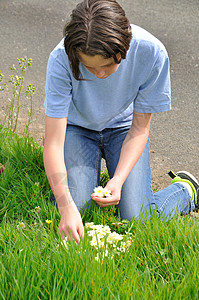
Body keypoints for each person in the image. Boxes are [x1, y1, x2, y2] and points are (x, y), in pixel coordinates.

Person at [43, 0, 199, 243]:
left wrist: (118, 180)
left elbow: (139, 128)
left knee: (136, 217)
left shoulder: (151, 52)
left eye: (107, 65)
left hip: (124, 129)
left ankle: (184, 190)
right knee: (76, 211)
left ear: (123, 49)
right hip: (76, 128)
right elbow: (53, 142)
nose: (100, 74)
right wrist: (65, 207)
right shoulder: (61, 58)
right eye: (89, 67)